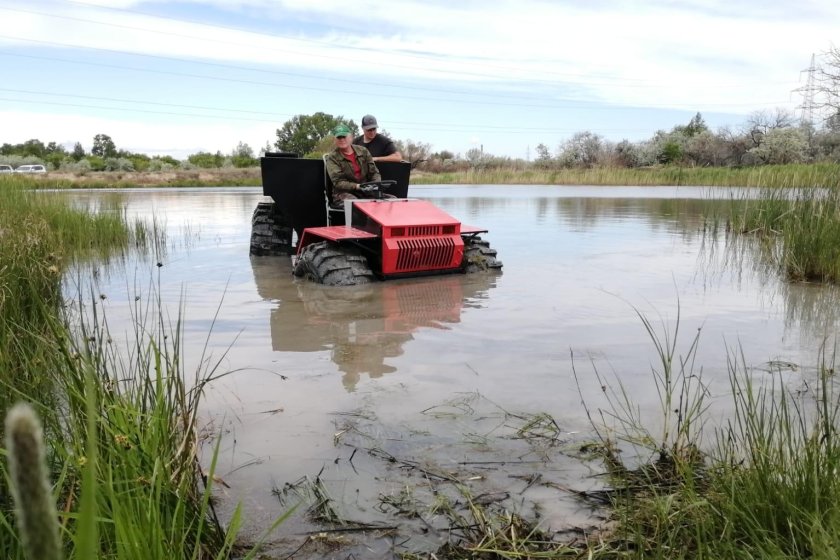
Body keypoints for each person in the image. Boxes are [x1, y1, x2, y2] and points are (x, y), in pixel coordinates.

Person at [324, 123, 382, 207]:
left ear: (351, 137)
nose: (342, 139)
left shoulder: (363, 151)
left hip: (366, 191)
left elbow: (374, 173)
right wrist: (357, 186)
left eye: (344, 136)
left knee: (391, 200)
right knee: (358, 205)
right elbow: (339, 182)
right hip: (343, 194)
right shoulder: (332, 158)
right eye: (339, 137)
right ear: (334, 140)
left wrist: (376, 185)